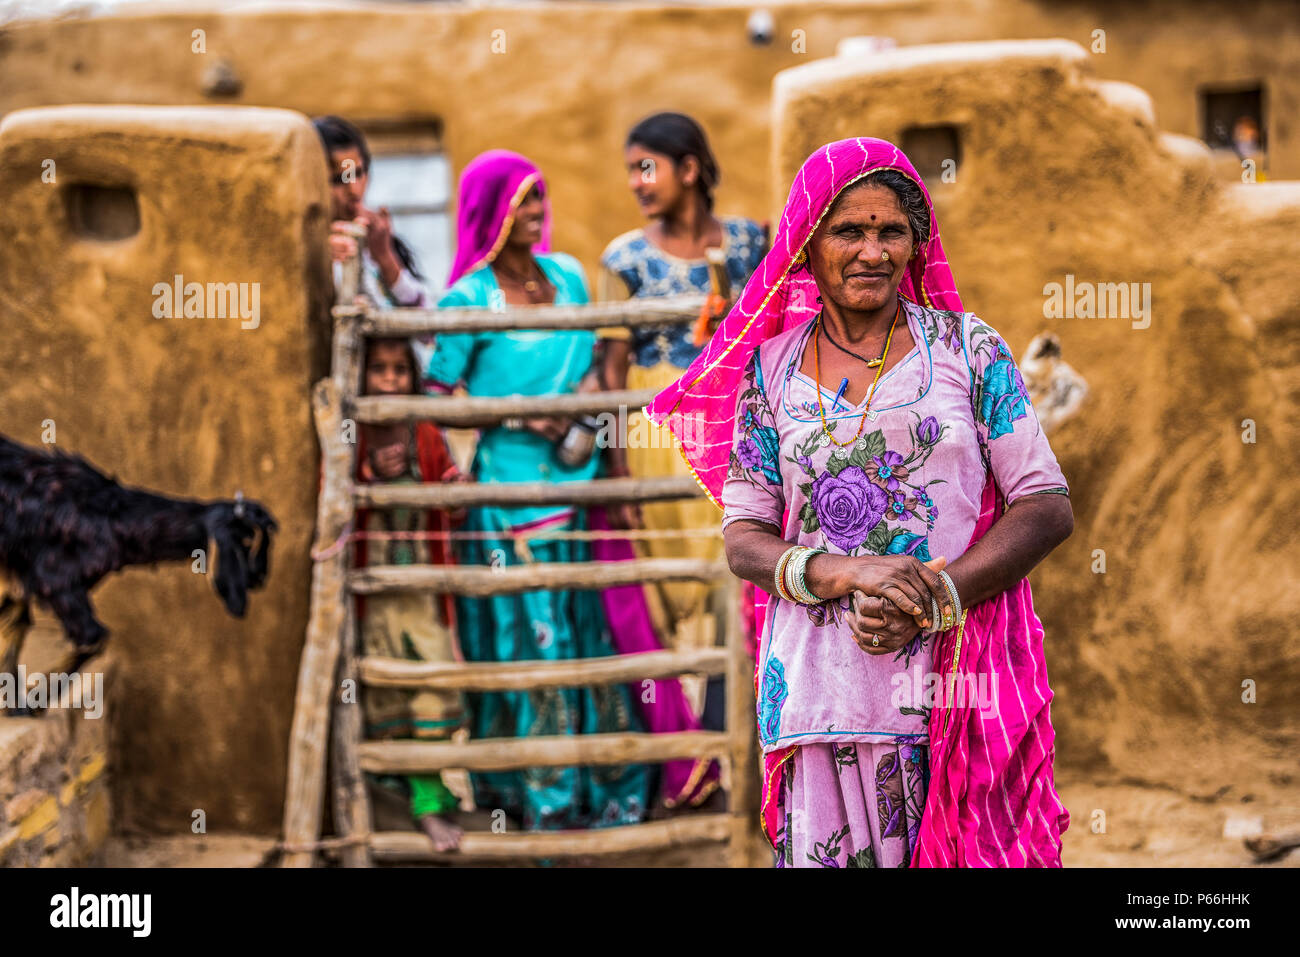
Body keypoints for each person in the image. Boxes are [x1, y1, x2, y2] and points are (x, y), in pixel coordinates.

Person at [646, 138, 1075, 868]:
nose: (872, 250)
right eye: (849, 230)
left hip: (952, 685)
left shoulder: (969, 351)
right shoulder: (771, 370)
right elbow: (743, 537)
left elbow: (1046, 503)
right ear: (806, 246)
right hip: (821, 697)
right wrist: (852, 572)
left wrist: (936, 592)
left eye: (891, 231)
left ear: (916, 244)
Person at [422, 149, 650, 830]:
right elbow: (437, 392)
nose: (535, 211)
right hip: (510, 498)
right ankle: (536, 804)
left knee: (591, 641)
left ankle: (606, 796)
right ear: (490, 210)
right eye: (521, 199)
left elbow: (590, 356)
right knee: (529, 648)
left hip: (578, 487)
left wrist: (579, 408)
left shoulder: (569, 276)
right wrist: (521, 411)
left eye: (539, 197)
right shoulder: (467, 298)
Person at [597, 113, 767, 750]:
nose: (637, 184)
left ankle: (737, 751)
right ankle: (685, 760)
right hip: (655, 445)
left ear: (689, 169)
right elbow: (612, 372)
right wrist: (617, 474)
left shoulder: (752, 244)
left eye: (648, 167)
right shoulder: (624, 259)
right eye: (630, 171)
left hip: (736, 437)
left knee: (733, 579)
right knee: (666, 588)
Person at [354, 336, 468, 852]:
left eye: (401, 370)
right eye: (379, 370)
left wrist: (456, 491)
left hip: (424, 595)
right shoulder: (351, 435)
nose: (392, 380)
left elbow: (449, 488)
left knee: (434, 684)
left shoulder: (422, 430)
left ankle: (426, 794)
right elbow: (332, 495)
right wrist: (367, 476)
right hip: (375, 598)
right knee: (391, 693)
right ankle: (424, 800)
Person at [313, 114, 429, 308]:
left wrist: (385, 257)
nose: (354, 190)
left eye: (358, 173)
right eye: (338, 180)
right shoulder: (306, 247)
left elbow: (427, 326)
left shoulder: (379, 240)